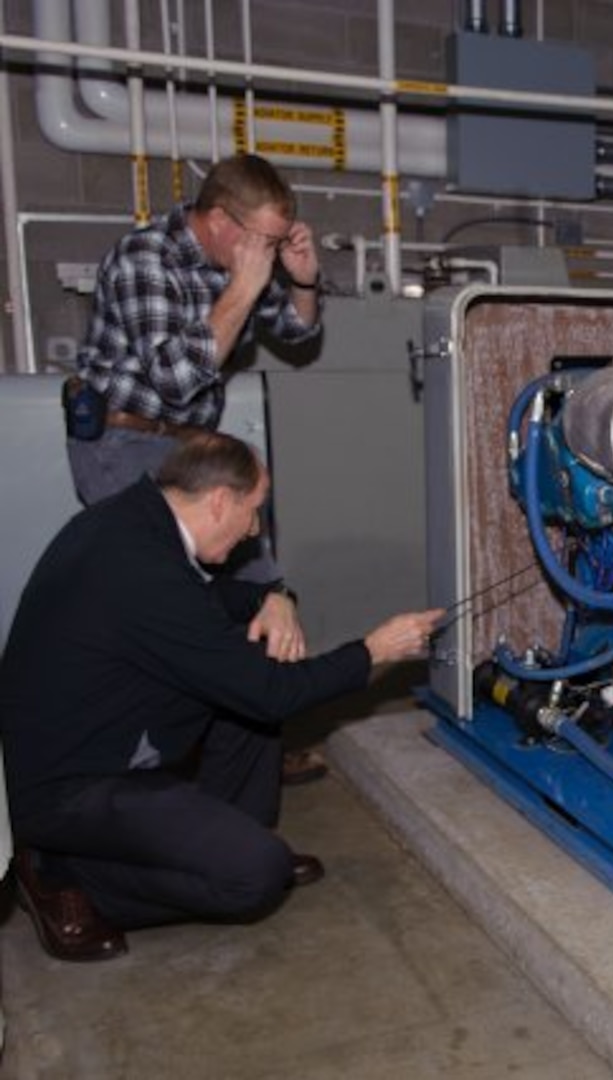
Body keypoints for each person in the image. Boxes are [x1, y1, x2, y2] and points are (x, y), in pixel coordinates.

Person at [0, 433, 441, 963]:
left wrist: (273, 596)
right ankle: (60, 875)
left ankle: (228, 842)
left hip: (99, 738)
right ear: (219, 501)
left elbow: (206, 601)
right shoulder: (141, 570)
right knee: (254, 876)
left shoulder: (135, 523)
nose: (255, 529)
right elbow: (272, 695)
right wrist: (375, 650)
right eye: (254, 512)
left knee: (252, 653)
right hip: (69, 790)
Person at [67, 152, 328, 784]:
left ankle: (250, 750)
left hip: (192, 446)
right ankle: (148, 767)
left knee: (262, 588)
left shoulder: (245, 258)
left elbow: (296, 334)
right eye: (263, 240)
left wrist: (302, 280)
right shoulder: (143, 260)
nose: (268, 252)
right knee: (163, 610)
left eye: (278, 240)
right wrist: (243, 284)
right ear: (217, 221)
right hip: (124, 447)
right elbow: (175, 379)